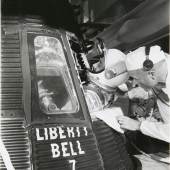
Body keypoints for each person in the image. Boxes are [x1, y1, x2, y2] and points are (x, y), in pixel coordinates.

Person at [117, 45, 170, 169]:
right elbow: (159, 85)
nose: (135, 83)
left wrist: (138, 125)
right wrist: (141, 92)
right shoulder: (161, 68)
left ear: (151, 74)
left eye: (136, 79)